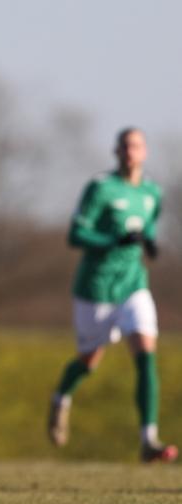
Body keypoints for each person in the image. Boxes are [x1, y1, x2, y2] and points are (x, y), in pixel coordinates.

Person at [48, 127, 177, 463]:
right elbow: (76, 235)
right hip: (96, 289)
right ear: (116, 151)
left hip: (133, 285)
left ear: (144, 151)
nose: (130, 151)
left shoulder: (152, 192)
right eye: (125, 145)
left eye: (136, 145)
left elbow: (147, 224)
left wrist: (148, 241)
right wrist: (111, 242)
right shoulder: (100, 188)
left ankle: (148, 439)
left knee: (145, 354)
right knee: (89, 360)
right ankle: (61, 397)